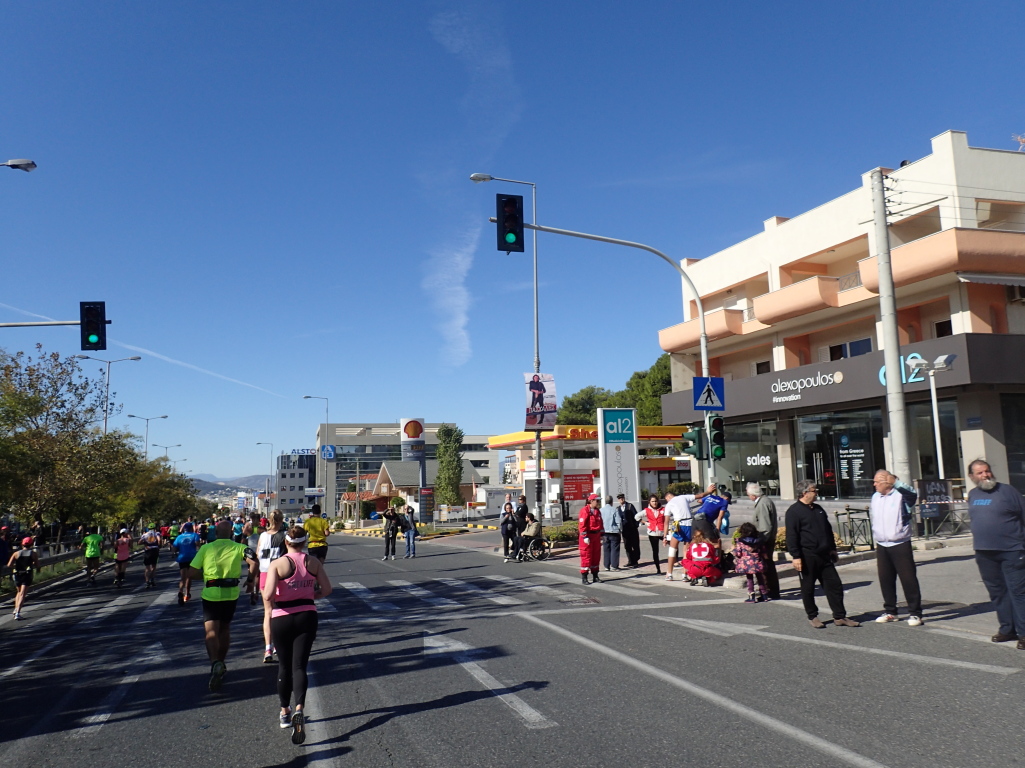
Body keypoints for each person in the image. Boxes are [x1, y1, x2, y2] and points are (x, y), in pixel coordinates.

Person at [263, 525, 333, 743]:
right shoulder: (313, 562)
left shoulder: (278, 564)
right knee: (300, 666)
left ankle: (285, 711)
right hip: (307, 614)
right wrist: (310, 596)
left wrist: (282, 596)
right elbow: (327, 589)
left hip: (282, 617)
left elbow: (267, 595)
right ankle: (300, 708)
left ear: (286, 542)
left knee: (284, 666)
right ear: (305, 542)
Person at [187, 520, 259, 691]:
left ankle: (215, 663)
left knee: (211, 631)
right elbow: (254, 562)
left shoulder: (206, 548)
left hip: (211, 593)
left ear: (216, 533)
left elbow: (191, 572)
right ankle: (222, 661)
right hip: (231, 593)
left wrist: (205, 576)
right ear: (231, 532)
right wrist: (250, 582)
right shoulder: (239, 547)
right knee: (225, 628)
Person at [785, 479, 860, 628]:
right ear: (805, 493)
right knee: (808, 588)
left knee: (835, 585)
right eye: (814, 490)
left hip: (824, 555)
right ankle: (813, 616)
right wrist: (796, 556)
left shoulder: (818, 509)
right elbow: (792, 536)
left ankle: (840, 616)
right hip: (807, 556)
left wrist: (832, 549)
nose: (817, 493)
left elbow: (827, 530)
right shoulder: (793, 511)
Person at [966, 459, 1025, 646]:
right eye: (980, 473)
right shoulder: (973, 494)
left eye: (987, 471)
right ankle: (1007, 629)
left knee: (1018, 592)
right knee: (997, 592)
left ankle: (1024, 634)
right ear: (972, 477)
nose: (985, 475)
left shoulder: (1008, 491)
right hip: (984, 553)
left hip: (1012, 551)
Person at [869, 470, 923, 626]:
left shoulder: (900, 495)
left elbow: (912, 495)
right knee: (885, 579)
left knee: (908, 579)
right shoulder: (875, 497)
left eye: (877, 481)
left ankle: (915, 613)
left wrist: (896, 482)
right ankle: (890, 611)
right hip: (882, 543)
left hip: (900, 543)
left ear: (888, 482)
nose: (874, 485)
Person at [663, 484, 717, 581]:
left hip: (678, 525)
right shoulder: (683, 497)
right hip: (689, 524)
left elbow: (666, 522)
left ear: (668, 497)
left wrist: (664, 536)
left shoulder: (669, 504)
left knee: (672, 549)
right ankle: (685, 575)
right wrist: (709, 491)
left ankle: (669, 573)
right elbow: (700, 496)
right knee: (686, 551)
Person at [257, 511, 287, 663]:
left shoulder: (262, 536)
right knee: (281, 611)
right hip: (280, 576)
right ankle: (279, 645)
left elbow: (258, 555)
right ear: (282, 520)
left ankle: (268, 647)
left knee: (268, 612)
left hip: (264, 575)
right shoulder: (284, 536)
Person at [748, 483, 780, 599]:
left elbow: (765, 527)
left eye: (749, 494)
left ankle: (770, 591)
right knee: (767, 565)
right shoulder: (764, 501)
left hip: (765, 540)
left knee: (766, 566)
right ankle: (769, 590)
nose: (748, 497)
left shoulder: (762, 504)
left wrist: (759, 542)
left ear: (753, 495)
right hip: (766, 538)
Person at [732, 522, 767, 602]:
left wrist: (734, 551)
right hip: (757, 561)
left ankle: (751, 595)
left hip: (746, 563)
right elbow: (763, 551)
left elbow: (738, 553)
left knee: (749, 578)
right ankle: (764, 595)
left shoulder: (740, 541)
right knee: (760, 577)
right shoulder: (759, 541)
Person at [8, 537, 40, 620]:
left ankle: (15, 609)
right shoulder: (33, 554)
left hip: (17, 574)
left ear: (22, 544)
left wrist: (16, 566)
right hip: (27, 574)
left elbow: (9, 565)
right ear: (31, 544)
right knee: (22, 593)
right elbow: (37, 564)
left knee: (18, 592)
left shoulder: (16, 553)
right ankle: (18, 612)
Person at [172, 522, 202, 604]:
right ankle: (187, 593)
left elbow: (174, 549)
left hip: (182, 558)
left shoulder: (179, 537)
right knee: (189, 577)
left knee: (183, 577)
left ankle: (180, 591)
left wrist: (179, 550)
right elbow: (197, 544)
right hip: (192, 558)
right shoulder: (195, 535)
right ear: (191, 528)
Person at [578, 494, 604, 584]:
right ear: (591, 501)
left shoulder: (597, 511)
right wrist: (585, 536)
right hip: (588, 537)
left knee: (596, 556)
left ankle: (595, 576)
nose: (598, 503)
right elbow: (582, 525)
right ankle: (584, 577)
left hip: (596, 536)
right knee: (586, 556)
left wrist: (602, 535)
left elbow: (600, 524)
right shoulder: (585, 511)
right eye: (597, 501)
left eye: (599, 501)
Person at [640, 495, 665, 574]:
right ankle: (658, 569)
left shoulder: (663, 509)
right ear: (649, 502)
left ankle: (675, 562)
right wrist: (645, 522)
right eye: (652, 501)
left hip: (662, 532)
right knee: (655, 551)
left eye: (655, 501)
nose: (654, 503)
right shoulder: (647, 510)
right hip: (652, 533)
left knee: (673, 545)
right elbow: (636, 517)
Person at [600, 495, 623, 571]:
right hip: (614, 531)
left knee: (606, 549)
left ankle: (606, 566)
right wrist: (620, 530)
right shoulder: (614, 510)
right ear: (612, 502)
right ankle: (614, 565)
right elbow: (618, 521)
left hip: (604, 532)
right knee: (614, 549)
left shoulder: (601, 510)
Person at [617, 494, 641, 568]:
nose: (621, 500)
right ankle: (630, 561)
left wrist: (636, 525)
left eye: (622, 498)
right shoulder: (618, 508)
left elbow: (636, 515)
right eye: (620, 499)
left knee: (635, 545)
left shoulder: (630, 506)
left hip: (632, 529)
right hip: (625, 530)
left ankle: (635, 560)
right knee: (627, 546)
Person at [513, 495, 529, 560]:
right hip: (518, 523)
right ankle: (516, 552)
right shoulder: (519, 506)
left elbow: (519, 513)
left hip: (522, 523)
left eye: (521, 499)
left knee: (521, 537)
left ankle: (522, 551)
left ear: (524, 500)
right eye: (519, 499)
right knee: (518, 537)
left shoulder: (524, 506)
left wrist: (517, 514)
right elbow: (516, 513)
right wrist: (516, 513)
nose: (519, 501)